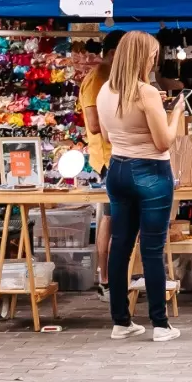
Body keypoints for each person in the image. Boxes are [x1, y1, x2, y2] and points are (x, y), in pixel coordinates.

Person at [95, 30, 188, 342]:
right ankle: (160, 325)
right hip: (150, 170)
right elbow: (164, 141)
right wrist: (174, 114)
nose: (155, 59)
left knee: (120, 245)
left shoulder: (105, 91)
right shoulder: (146, 92)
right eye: (152, 54)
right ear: (141, 57)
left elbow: (107, 137)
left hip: (118, 169)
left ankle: (120, 321)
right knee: (151, 247)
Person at [79, 30, 124, 299]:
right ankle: (105, 280)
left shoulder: (113, 77)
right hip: (108, 158)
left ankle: (117, 277)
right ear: (110, 54)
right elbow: (94, 125)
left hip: (120, 154)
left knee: (118, 218)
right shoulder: (97, 79)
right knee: (109, 217)